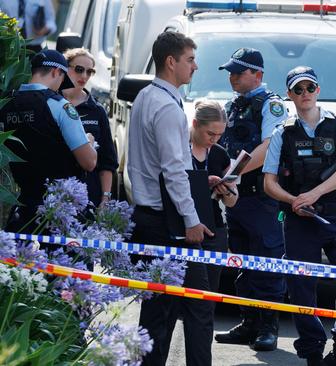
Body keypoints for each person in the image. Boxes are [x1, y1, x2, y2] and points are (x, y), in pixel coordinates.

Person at [263, 66, 336, 366]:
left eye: (310, 88)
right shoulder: (282, 133)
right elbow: (268, 183)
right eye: (298, 90)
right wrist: (293, 200)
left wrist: (315, 194)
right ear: (290, 95)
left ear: (318, 90)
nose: (305, 94)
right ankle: (312, 352)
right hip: (297, 220)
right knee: (301, 289)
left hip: (331, 217)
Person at [127, 31, 214, 366]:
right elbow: (173, 171)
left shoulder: (148, 97)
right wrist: (191, 219)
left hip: (152, 215)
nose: (195, 66)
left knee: (158, 308)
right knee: (196, 303)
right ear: (170, 61)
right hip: (168, 221)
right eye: (190, 59)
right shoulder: (165, 106)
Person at [213, 47, 287, 352]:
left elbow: (271, 146)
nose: (232, 77)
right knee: (242, 261)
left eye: (238, 72)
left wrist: (231, 174)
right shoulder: (233, 105)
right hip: (237, 198)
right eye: (231, 71)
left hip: (261, 198)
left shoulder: (271, 106)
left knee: (267, 262)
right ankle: (250, 322)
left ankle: (268, 327)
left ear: (257, 74)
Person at [0, 49, 96, 235]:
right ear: (55, 72)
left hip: (23, 207)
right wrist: (89, 142)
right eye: (62, 79)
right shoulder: (60, 106)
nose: (61, 85)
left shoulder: (7, 103)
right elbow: (89, 162)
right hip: (59, 211)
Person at [189, 99, 238, 292]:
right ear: (195, 124)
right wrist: (203, 182)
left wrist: (225, 190)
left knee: (207, 296)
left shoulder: (219, 154)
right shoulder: (178, 148)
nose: (215, 139)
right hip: (184, 227)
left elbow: (233, 201)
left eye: (220, 134)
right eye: (210, 133)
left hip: (213, 229)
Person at [62, 48, 118, 207]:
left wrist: (105, 199)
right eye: (79, 69)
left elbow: (107, 161)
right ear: (66, 68)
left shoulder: (97, 110)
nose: (84, 76)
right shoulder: (53, 102)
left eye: (90, 71)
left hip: (88, 195)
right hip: (56, 191)